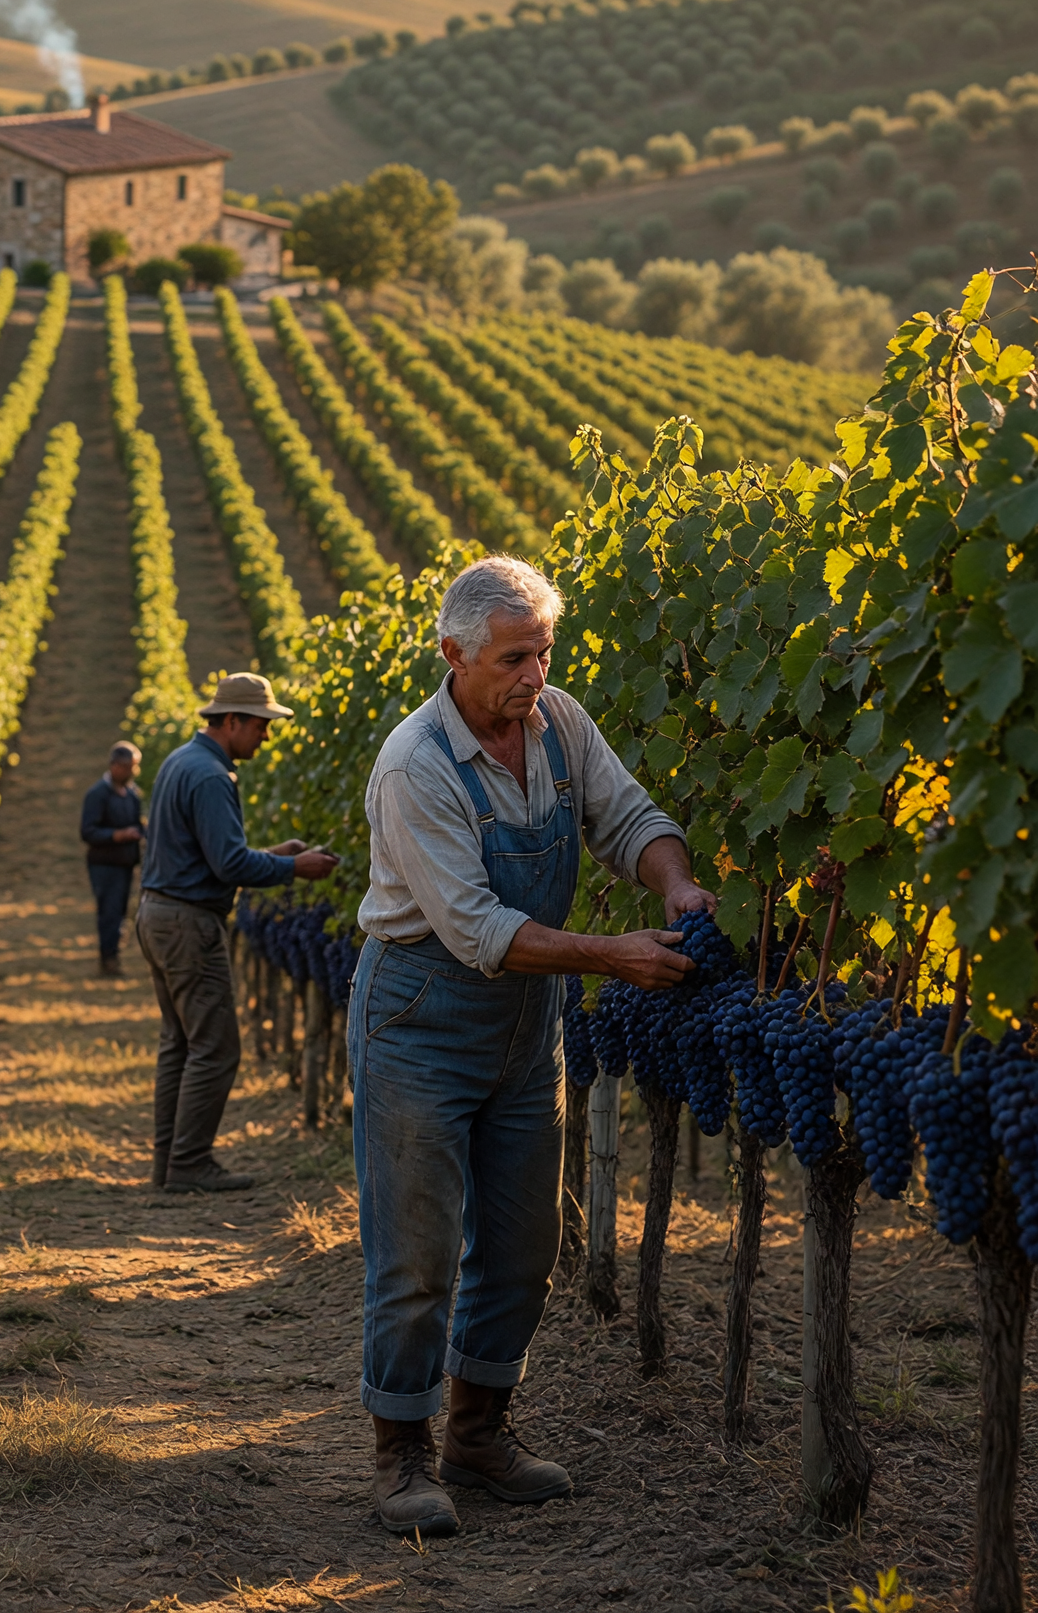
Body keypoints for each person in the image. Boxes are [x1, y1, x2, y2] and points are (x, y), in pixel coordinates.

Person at [352, 555, 711, 1538]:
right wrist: (611, 954)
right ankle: (399, 1454)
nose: (533, 673)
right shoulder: (413, 763)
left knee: (521, 1245)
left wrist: (672, 885)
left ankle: (477, 1433)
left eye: (544, 650)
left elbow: (627, 816)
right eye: (513, 656)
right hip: (420, 1018)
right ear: (451, 655)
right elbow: (473, 928)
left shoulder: (559, 725)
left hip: (522, 1023)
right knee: (416, 1250)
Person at [136, 673, 337, 1194]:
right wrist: (297, 870)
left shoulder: (182, 762)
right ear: (231, 721)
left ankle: (170, 1163)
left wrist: (273, 856)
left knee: (180, 1044)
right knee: (217, 1049)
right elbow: (227, 864)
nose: (265, 737)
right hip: (187, 923)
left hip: (159, 914)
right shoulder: (211, 777)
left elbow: (204, 856)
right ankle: (190, 1165)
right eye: (260, 725)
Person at [80, 741, 143, 979]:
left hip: (125, 864)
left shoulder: (132, 795)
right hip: (104, 864)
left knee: (119, 912)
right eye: (128, 767)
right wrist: (118, 835)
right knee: (109, 911)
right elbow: (87, 832)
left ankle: (112, 956)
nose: (132, 772)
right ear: (115, 766)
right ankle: (108, 959)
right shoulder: (97, 794)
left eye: (135, 767)